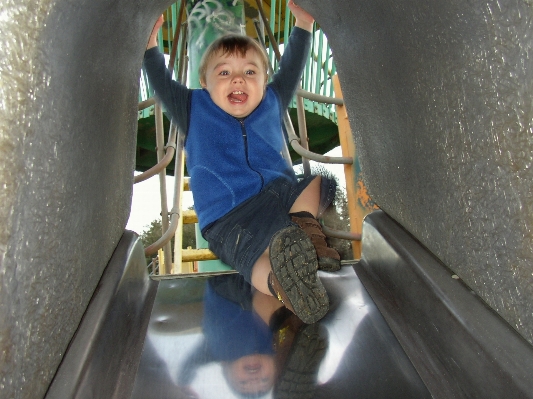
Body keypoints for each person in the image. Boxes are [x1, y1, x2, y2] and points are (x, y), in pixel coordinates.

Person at [143, 0, 340, 324]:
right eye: (224, 72)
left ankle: (309, 239)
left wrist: (303, 26)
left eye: (250, 72)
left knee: (320, 181)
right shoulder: (193, 108)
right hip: (229, 217)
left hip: (277, 197)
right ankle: (285, 286)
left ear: (263, 83)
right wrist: (150, 44)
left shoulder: (271, 103)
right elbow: (162, 83)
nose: (238, 79)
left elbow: (290, 68)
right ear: (204, 83)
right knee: (255, 259)